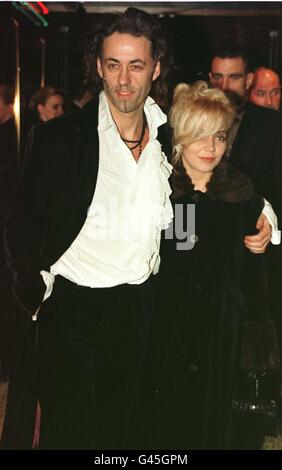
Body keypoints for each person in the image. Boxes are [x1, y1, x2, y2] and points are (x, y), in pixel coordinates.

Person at [2, 11, 273, 450]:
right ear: (98, 67)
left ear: (157, 68)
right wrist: (34, 294)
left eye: (136, 65)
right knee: (70, 433)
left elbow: (219, 176)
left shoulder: (169, 138)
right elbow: (18, 229)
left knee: (130, 433)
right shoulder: (60, 139)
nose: (123, 80)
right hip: (74, 307)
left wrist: (267, 215)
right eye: (113, 64)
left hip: (144, 309)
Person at [157, 81, 278, 449]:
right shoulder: (163, 191)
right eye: (200, 136)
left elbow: (257, 281)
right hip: (168, 329)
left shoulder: (242, 196)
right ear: (180, 138)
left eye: (220, 137)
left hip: (224, 331)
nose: (211, 148)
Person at [209, 47, 282, 229]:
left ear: (248, 80)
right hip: (200, 230)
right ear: (210, 79)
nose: (224, 86)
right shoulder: (191, 121)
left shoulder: (272, 125)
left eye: (234, 77)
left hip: (251, 233)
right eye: (218, 77)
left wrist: (270, 227)